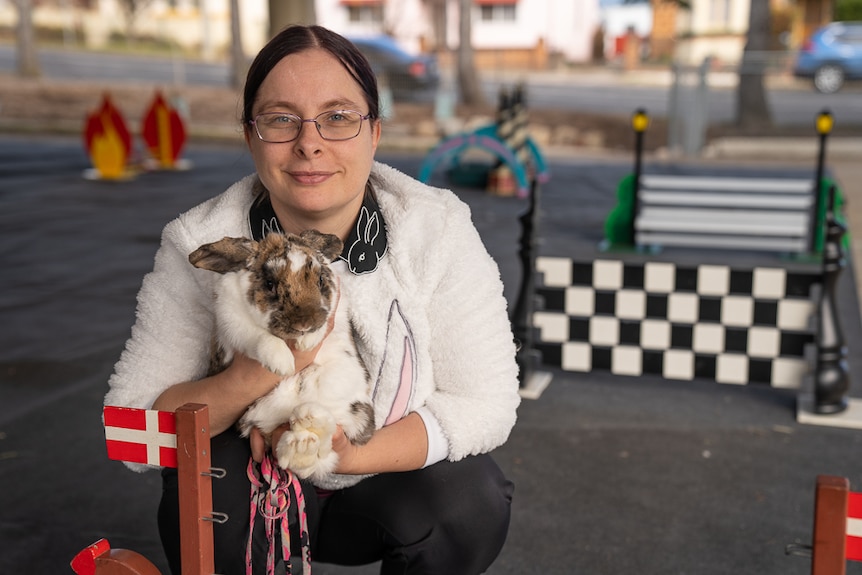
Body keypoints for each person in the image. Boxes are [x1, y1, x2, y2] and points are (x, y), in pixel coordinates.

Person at [104, 24, 520, 575]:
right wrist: (256, 376)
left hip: (377, 485)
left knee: (469, 499)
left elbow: (486, 403)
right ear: (251, 136)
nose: (309, 142)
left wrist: (343, 451)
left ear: (374, 131)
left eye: (339, 117)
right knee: (206, 478)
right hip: (248, 487)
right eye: (281, 119)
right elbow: (134, 428)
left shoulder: (435, 228)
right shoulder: (199, 240)